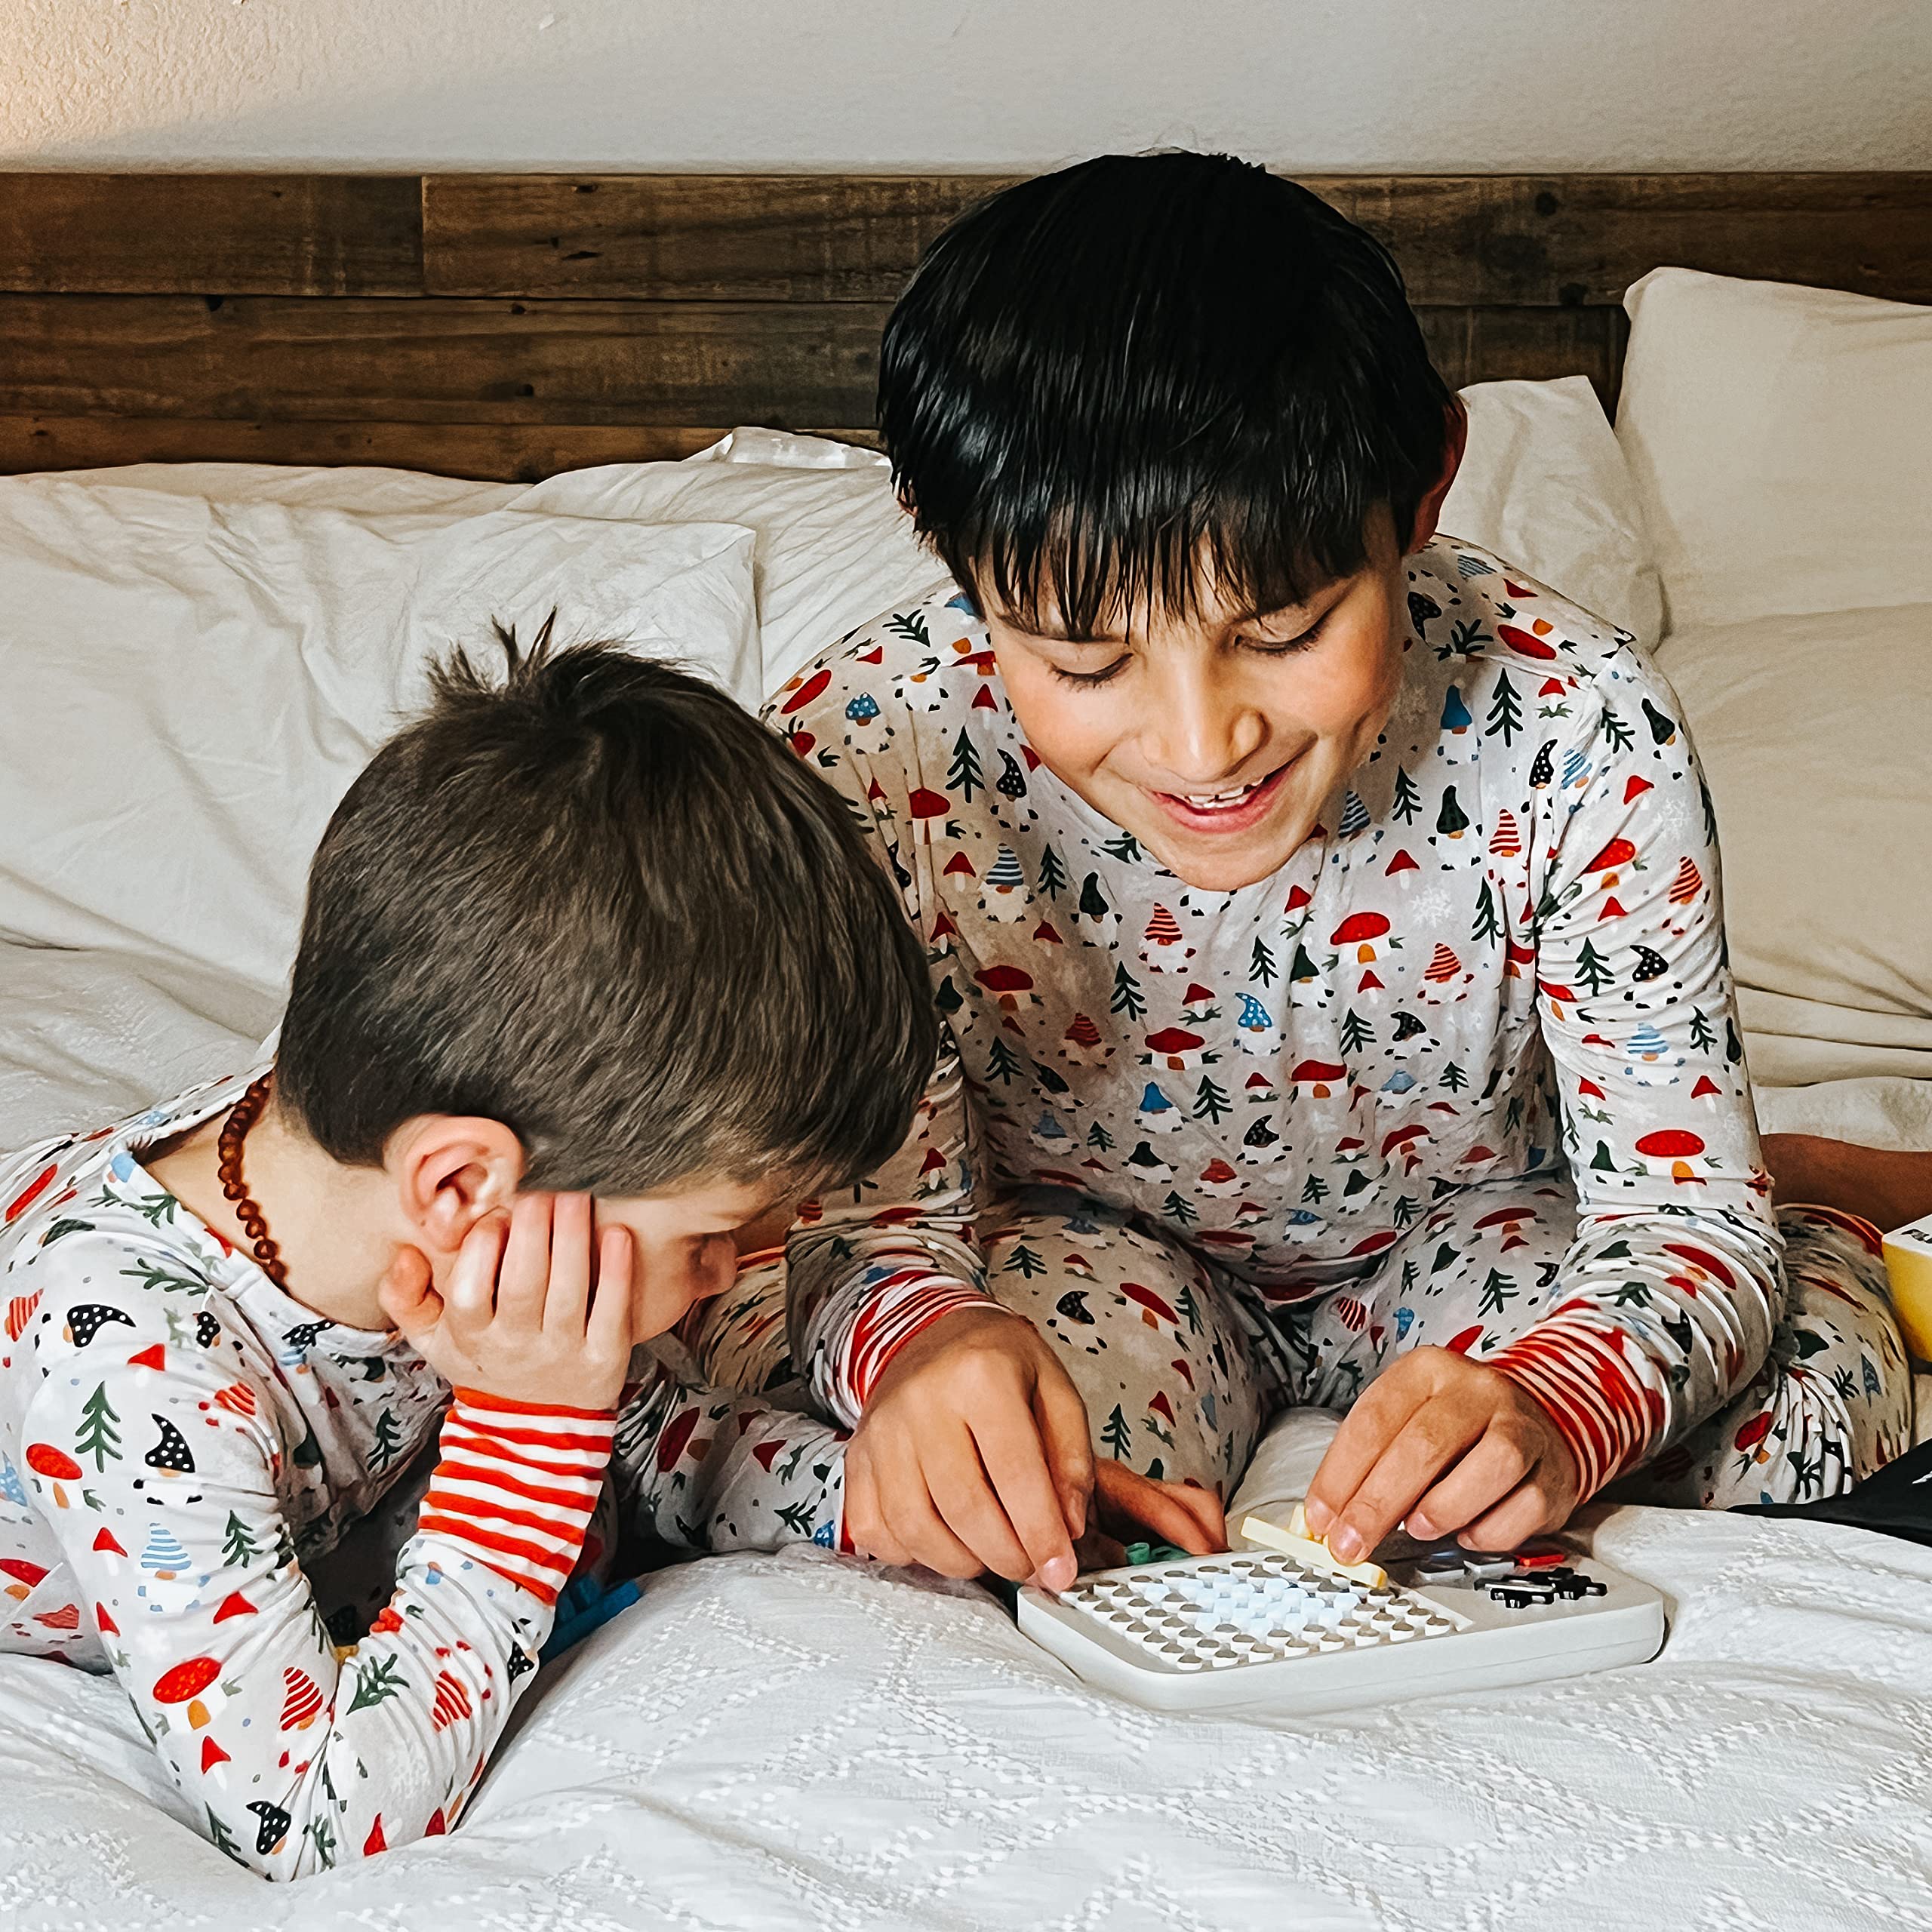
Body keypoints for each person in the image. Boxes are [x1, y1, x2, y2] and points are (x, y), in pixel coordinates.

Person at [701, 150, 1914, 1597]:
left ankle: (1823, 1195)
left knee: (1817, 1402)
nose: (1204, 742)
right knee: (971, 1484)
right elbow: (876, 1219)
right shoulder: (858, 751)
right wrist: (933, 1349)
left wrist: (1559, 1408)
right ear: (951, 555)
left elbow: (1675, 1223)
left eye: (1282, 630)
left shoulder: (1581, 721)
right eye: (1086, 664)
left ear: (1421, 494)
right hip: (1074, 1250)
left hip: (1480, 1230)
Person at [0, 626, 941, 1878]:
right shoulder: (128, 1360)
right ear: (458, 1182)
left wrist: (893, 1493)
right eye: (716, 1234)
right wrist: (522, 1439)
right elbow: (315, 1818)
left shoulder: (429, 1218)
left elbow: (649, 1443)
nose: (746, 1269)